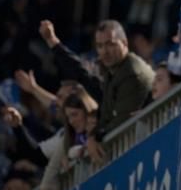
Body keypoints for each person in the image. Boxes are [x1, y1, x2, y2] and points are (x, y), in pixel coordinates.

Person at [38, 20, 154, 152]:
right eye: (99, 46)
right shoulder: (112, 70)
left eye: (110, 44)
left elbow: (122, 121)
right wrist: (53, 41)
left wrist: (94, 137)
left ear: (125, 43)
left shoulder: (132, 72)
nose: (104, 51)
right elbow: (82, 74)